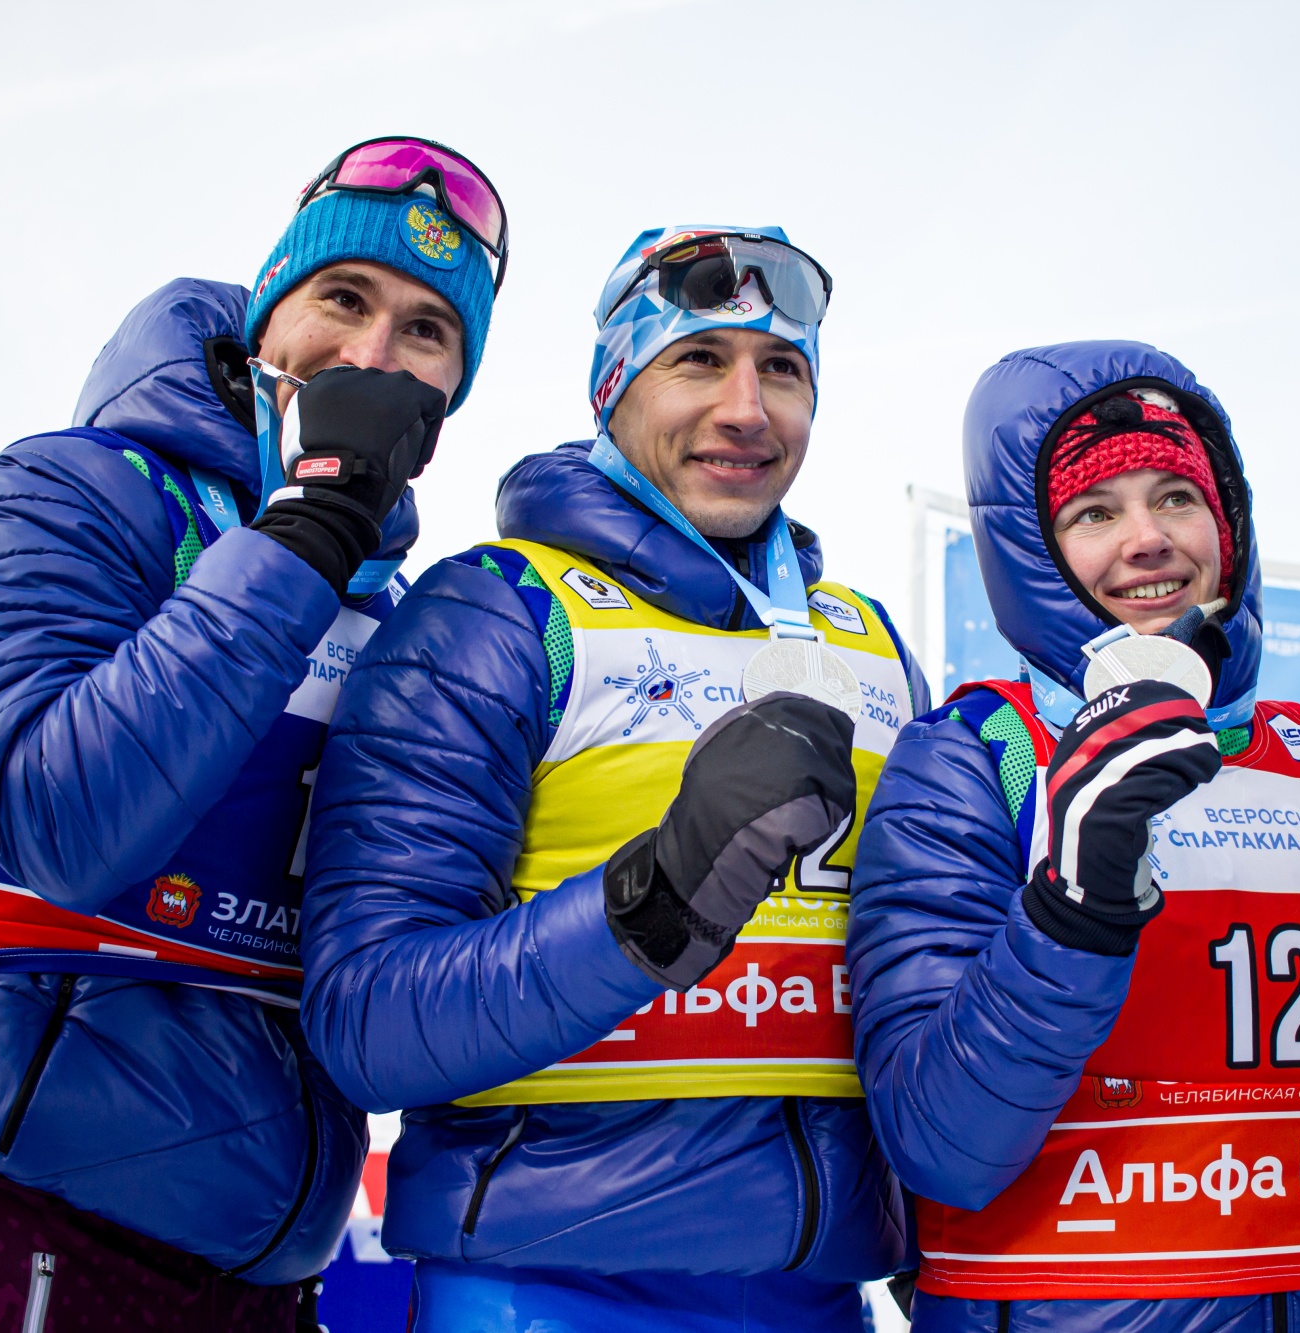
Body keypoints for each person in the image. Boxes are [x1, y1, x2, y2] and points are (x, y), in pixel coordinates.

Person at [0, 136, 503, 1330]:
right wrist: (306, 529)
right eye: (342, 298)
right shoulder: (70, 489)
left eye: (424, 331)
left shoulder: (398, 614)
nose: (371, 352)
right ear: (267, 314)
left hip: (265, 1261)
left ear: (448, 395)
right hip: (24, 1205)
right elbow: (63, 820)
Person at [299, 224, 927, 1331]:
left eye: (782, 369)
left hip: (821, 1298)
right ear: (614, 385)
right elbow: (367, 1022)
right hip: (544, 1294)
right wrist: (659, 895)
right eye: (699, 360)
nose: (746, 409)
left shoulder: (870, 646)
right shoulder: (498, 611)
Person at [847, 340, 1300, 1331]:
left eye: (1176, 496)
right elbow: (935, 1146)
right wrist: (1071, 911)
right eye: (1093, 513)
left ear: (1228, 521)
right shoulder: (978, 757)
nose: (1147, 539)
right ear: (1032, 551)